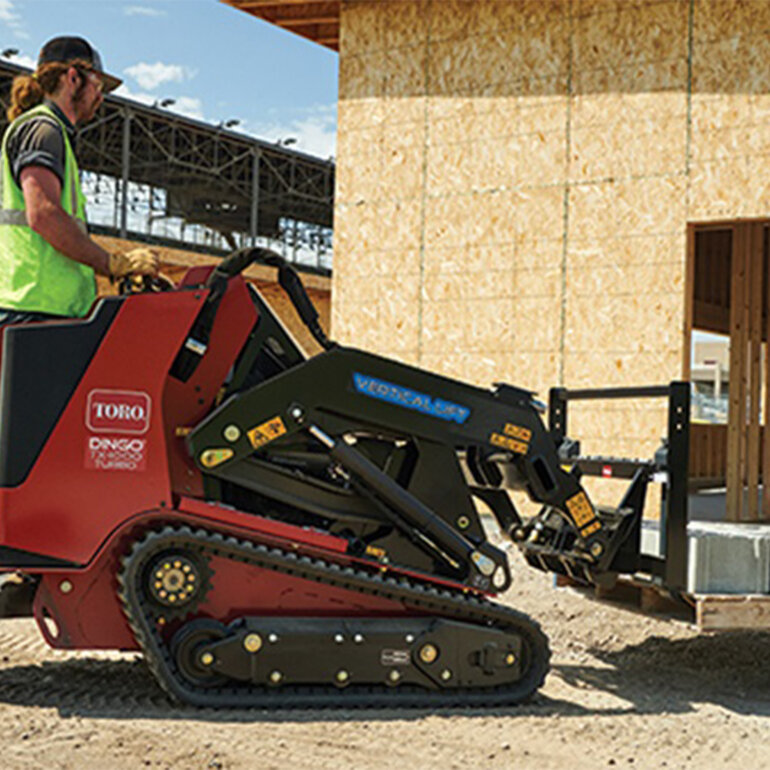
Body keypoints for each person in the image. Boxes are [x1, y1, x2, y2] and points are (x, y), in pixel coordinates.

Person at [0, 36, 159, 329]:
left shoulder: (50, 130)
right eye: (97, 86)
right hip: (35, 308)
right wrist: (112, 264)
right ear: (73, 78)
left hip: (42, 305)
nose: (100, 97)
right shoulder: (44, 130)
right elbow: (44, 215)